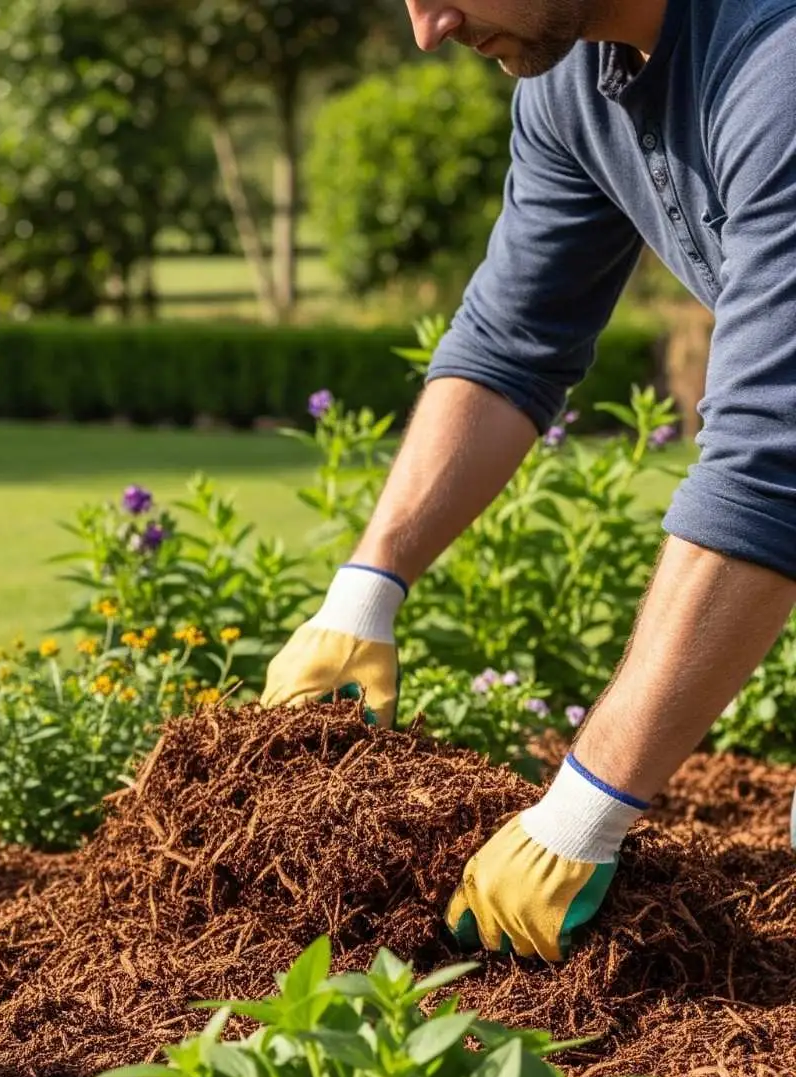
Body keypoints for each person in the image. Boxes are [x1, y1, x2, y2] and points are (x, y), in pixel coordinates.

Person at [262, 0, 796, 962]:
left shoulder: (778, 67)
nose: (429, 28)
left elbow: (774, 458)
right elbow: (512, 343)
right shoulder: (572, 79)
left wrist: (588, 805)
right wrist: (365, 590)